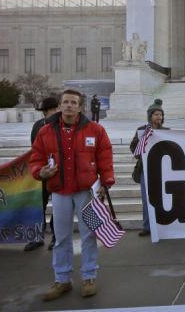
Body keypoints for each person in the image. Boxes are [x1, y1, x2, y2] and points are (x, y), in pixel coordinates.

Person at [29, 89, 115, 301]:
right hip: (60, 191)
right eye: (65, 102)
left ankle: (89, 277)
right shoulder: (46, 131)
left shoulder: (95, 130)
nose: (69, 105)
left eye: (73, 102)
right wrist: (41, 171)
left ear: (80, 106)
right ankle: (62, 279)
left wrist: (106, 181)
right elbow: (36, 158)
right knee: (61, 237)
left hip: (87, 192)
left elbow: (105, 156)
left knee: (89, 234)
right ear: (59, 106)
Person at [24, 97, 60, 252]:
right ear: (48, 110)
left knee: (58, 206)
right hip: (43, 171)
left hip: (59, 171)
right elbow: (35, 148)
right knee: (39, 205)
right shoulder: (39, 125)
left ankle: (56, 236)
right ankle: (37, 236)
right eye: (56, 108)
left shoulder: (62, 124)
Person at [129, 99, 168, 237]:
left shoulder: (167, 131)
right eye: (156, 114)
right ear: (150, 116)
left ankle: (164, 225)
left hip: (163, 171)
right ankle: (147, 227)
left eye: (161, 115)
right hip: (146, 170)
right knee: (147, 200)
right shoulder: (141, 131)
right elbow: (133, 147)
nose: (159, 117)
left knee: (164, 198)